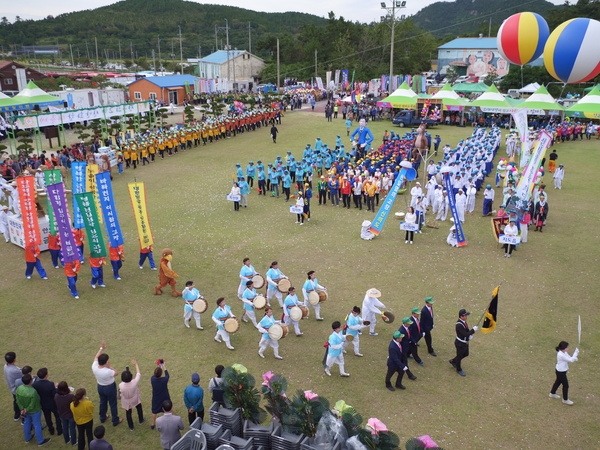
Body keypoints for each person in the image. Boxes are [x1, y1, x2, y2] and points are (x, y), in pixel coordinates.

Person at [92, 343, 123, 427]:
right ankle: (115, 420)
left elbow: (96, 356)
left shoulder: (94, 366)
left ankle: (102, 417)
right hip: (109, 387)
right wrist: (110, 367)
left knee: (102, 402)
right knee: (113, 403)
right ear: (105, 362)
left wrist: (101, 348)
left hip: (100, 386)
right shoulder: (107, 371)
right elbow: (116, 373)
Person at [16, 373, 51, 446]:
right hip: (35, 410)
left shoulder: (19, 388)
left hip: (25, 410)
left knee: (26, 423)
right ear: (30, 381)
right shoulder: (33, 391)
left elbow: (17, 400)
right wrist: (27, 409)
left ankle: (27, 438)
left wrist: (22, 409)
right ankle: (40, 440)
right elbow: (33, 403)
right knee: (37, 425)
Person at [33, 367, 63, 436]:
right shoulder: (50, 384)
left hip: (43, 403)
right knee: (57, 416)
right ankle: (59, 430)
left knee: (47, 417)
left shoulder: (35, 384)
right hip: (52, 403)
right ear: (46, 375)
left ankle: (51, 430)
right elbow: (54, 394)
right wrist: (56, 387)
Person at [449, 309, 478, 376]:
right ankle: (458, 369)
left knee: (466, 354)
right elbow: (464, 334)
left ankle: (453, 361)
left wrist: (469, 336)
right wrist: (473, 330)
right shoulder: (459, 325)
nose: (466, 317)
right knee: (459, 356)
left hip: (465, 342)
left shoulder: (464, 322)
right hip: (460, 343)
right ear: (461, 316)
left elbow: (466, 332)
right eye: (465, 316)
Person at [549, 341, 579, 405]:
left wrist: (575, 358)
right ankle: (565, 399)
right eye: (566, 347)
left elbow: (570, 358)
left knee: (558, 382)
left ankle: (552, 393)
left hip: (562, 371)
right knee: (566, 385)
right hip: (560, 372)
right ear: (563, 348)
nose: (568, 348)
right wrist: (576, 353)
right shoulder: (561, 354)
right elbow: (571, 360)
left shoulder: (564, 352)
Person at [118, 360, 145, 431]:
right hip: (135, 398)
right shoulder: (134, 382)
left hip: (126, 401)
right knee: (139, 408)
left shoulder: (121, 385)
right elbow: (138, 374)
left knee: (128, 413)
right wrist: (136, 364)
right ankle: (141, 420)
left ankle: (131, 427)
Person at [54, 381, 77, 446]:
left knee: (65, 427)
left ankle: (67, 440)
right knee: (72, 428)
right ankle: (74, 441)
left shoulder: (56, 396)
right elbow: (75, 403)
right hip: (70, 415)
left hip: (61, 414)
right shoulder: (70, 396)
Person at [150, 360, 170, 430]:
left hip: (156, 398)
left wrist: (159, 366)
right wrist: (164, 366)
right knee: (169, 407)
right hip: (165, 396)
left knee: (154, 410)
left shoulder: (152, 379)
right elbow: (167, 375)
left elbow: (156, 374)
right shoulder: (164, 380)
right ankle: (172, 417)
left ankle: (153, 423)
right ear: (161, 374)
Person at [4, 351, 23, 421]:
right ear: (14, 359)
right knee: (20, 402)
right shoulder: (15, 371)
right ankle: (21, 417)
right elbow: (23, 376)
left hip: (11, 387)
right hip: (16, 389)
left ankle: (17, 415)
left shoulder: (6, 366)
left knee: (16, 401)